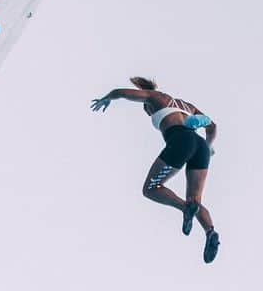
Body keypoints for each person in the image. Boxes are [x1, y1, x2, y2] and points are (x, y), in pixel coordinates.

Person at [91, 77, 220, 263]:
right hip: (200, 147)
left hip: (180, 141)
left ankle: (185, 208)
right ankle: (210, 232)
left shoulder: (155, 97)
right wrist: (208, 146)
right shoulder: (187, 106)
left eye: (146, 110)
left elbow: (122, 93)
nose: (148, 113)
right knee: (196, 200)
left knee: (150, 189)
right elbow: (212, 126)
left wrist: (107, 98)